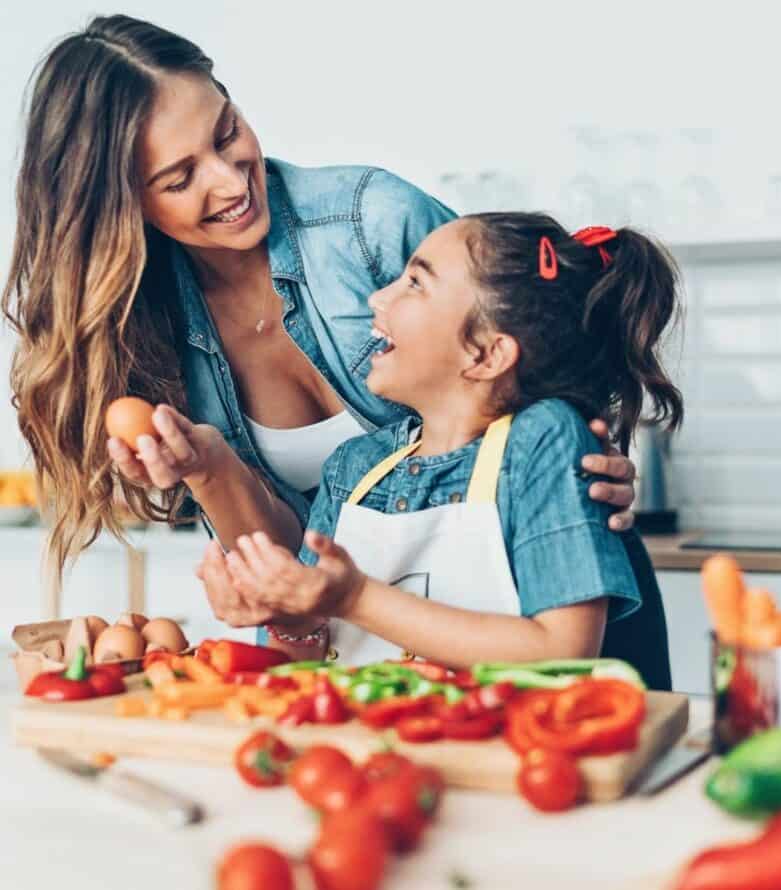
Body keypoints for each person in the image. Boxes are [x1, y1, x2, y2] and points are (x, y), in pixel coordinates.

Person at [2, 15, 636, 643]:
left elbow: (530, 336)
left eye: (227, 134)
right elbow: (306, 592)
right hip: (392, 671)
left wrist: (586, 461)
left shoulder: (373, 223)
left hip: (560, 612)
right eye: (180, 177)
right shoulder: (142, 333)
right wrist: (211, 469)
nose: (230, 181)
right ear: (121, 204)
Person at [201, 214, 683, 684]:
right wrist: (284, 613)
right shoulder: (353, 468)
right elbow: (301, 659)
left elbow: (563, 651)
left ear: (486, 354)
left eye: (415, 282)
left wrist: (355, 599)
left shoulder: (542, 440)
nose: (378, 297)